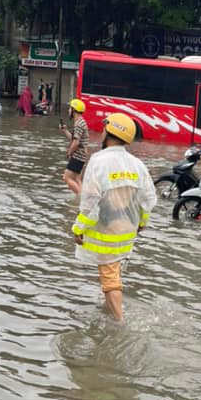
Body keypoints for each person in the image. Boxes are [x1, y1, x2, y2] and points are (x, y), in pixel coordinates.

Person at [71, 112, 156, 323]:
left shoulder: (98, 161)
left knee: (109, 278)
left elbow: (90, 203)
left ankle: (119, 324)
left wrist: (78, 228)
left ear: (109, 133)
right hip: (127, 231)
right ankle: (108, 310)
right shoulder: (137, 164)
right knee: (113, 271)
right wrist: (142, 223)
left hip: (105, 231)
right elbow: (148, 199)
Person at [60, 98, 89, 195]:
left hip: (78, 156)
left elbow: (76, 142)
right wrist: (65, 131)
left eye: (70, 108)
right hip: (82, 156)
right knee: (76, 179)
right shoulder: (81, 122)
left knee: (66, 177)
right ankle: (83, 197)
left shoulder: (79, 124)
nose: (68, 111)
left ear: (74, 110)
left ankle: (81, 198)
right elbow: (74, 139)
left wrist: (69, 152)